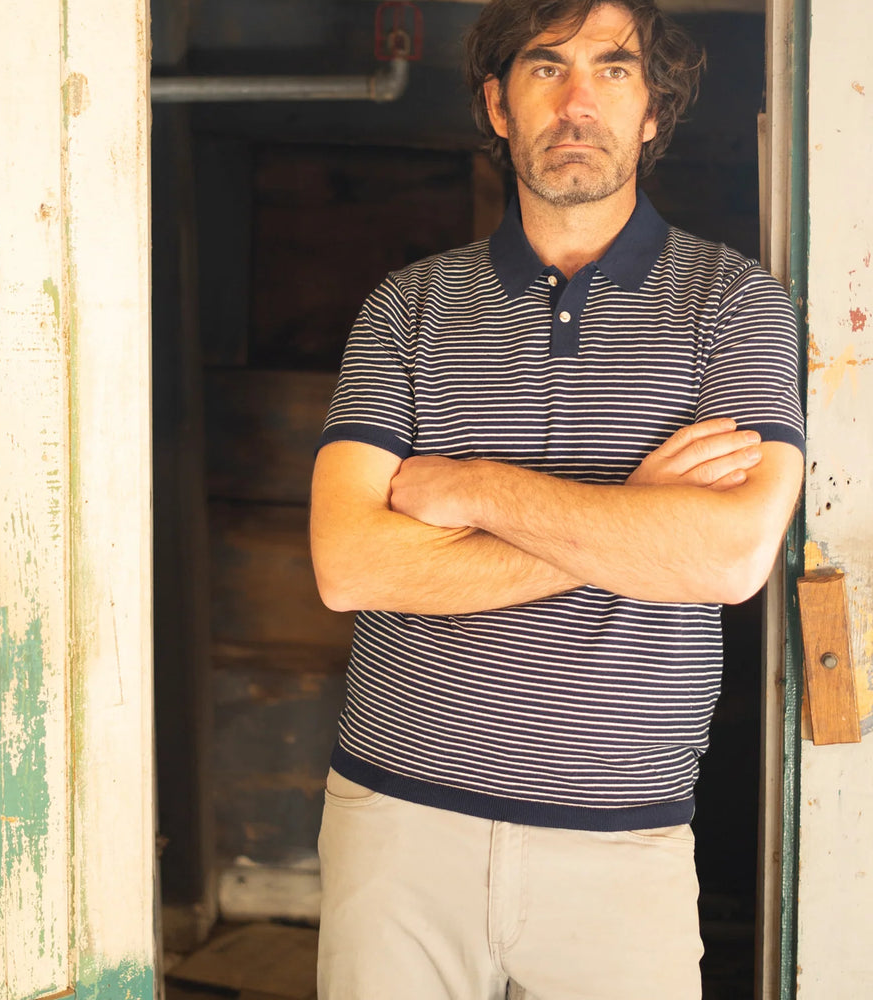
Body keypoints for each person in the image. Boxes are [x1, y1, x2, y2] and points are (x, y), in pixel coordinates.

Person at [309, 1, 804, 997]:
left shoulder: (735, 304)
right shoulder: (407, 308)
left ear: (653, 108)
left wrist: (475, 491)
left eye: (612, 69)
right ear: (498, 104)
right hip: (396, 822)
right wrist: (633, 517)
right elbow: (350, 564)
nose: (578, 101)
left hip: (620, 845)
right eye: (546, 68)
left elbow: (725, 558)